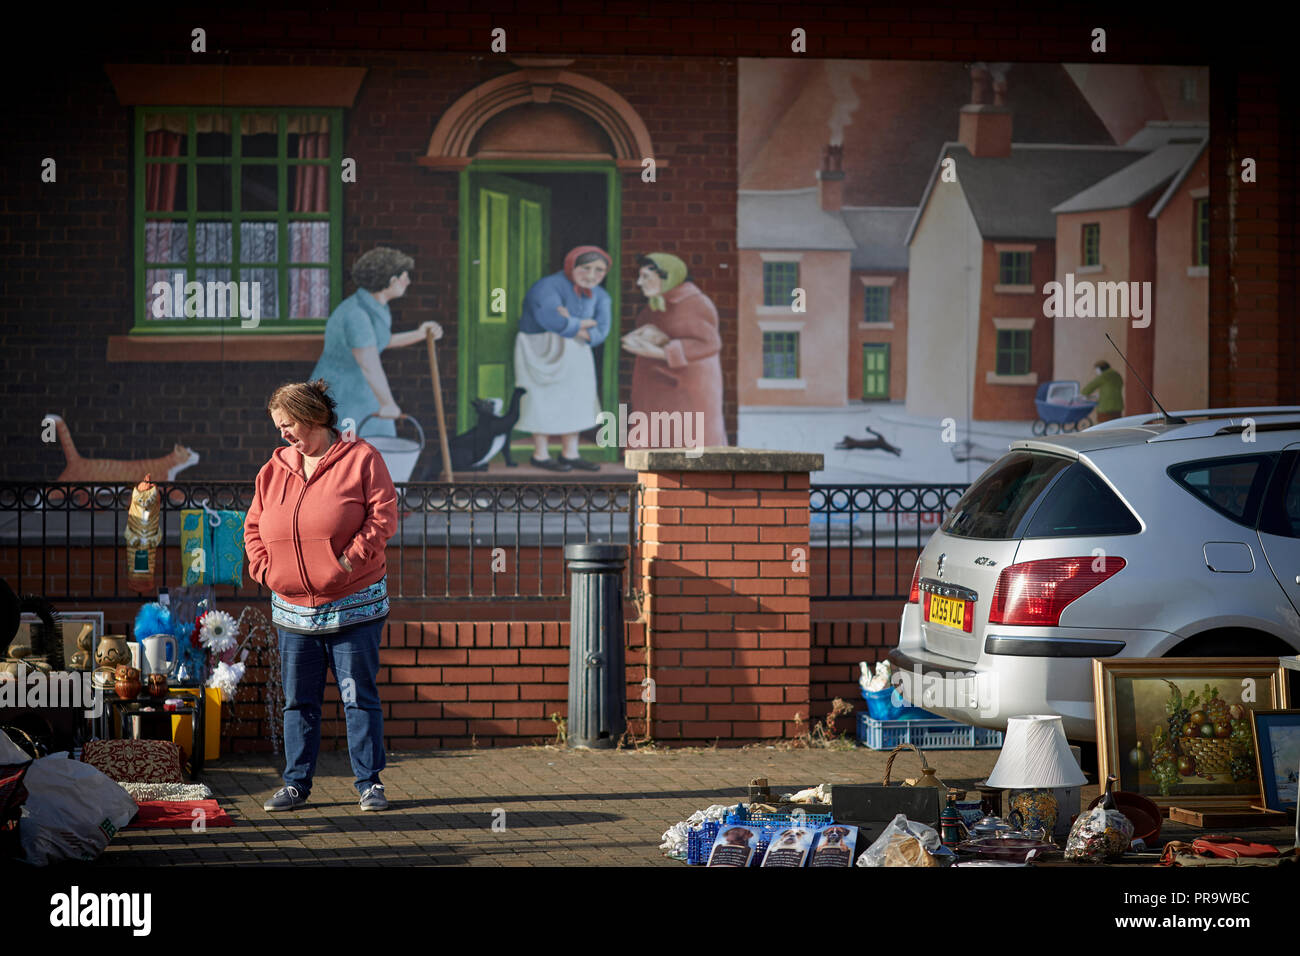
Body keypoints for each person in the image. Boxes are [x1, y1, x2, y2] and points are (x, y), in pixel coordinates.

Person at [244, 380, 399, 812]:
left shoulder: (362, 458)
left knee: (357, 697)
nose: (283, 434)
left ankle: (370, 784)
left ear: (314, 416)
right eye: (278, 426)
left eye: (288, 424)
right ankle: (296, 785)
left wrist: (349, 561)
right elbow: (253, 526)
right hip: (293, 611)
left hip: (354, 603)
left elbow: (383, 515)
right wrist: (264, 569)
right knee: (299, 702)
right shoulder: (272, 470)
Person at [309, 247, 442, 443]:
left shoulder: (375, 307)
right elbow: (368, 364)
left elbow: (380, 342)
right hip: (341, 393)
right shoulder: (356, 314)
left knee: (374, 451)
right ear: (390, 280)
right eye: (404, 277)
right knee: (346, 452)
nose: (408, 282)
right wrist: (388, 403)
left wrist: (420, 334)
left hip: (364, 390)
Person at [512, 245, 612, 471]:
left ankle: (570, 453)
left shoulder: (601, 296)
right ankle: (540, 454)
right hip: (539, 348)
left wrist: (570, 324)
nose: (592, 276)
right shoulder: (547, 287)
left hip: (577, 351)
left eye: (599, 271)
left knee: (575, 397)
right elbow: (550, 319)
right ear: (571, 266)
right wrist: (583, 323)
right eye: (585, 268)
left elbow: (602, 330)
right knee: (542, 397)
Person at [623, 253, 727, 447]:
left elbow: (709, 343)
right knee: (658, 443)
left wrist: (663, 352)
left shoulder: (695, 303)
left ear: (667, 276)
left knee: (687, 445)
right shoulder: (656, 303)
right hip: (658, 386)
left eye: (646, 277)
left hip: (686, 388)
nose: (639, 282)